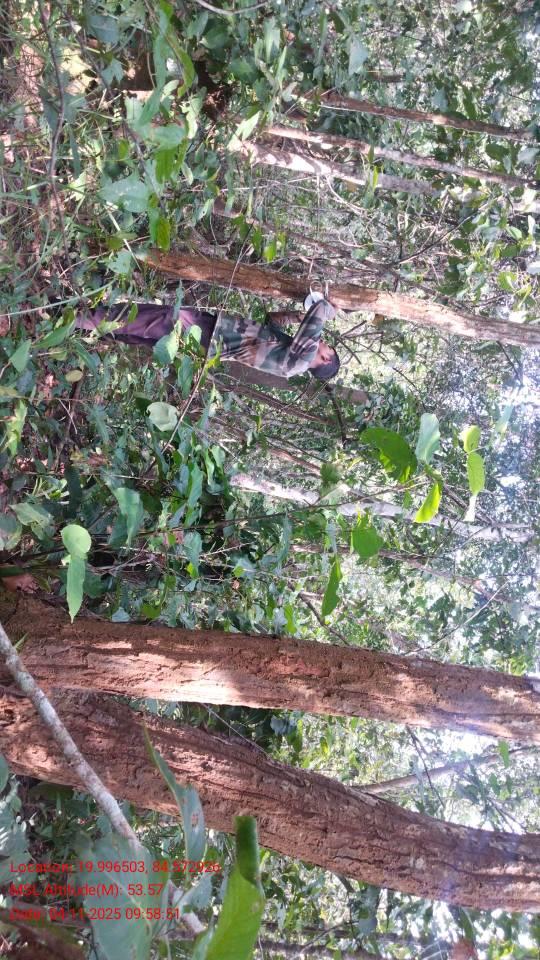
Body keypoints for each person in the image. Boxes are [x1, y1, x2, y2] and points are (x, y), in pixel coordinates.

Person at [74, 293, 341, 382]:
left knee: (139, 321)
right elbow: (271, 322)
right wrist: (296, 316)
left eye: (328, 347)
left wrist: (330, 307)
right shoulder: (291, 357)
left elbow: (318, 313)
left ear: (326, 358)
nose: (324, 343)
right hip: (208, 336)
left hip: (207, 336)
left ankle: (73, 318)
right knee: (139, 327)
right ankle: (79, 321)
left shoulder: (302, 359)